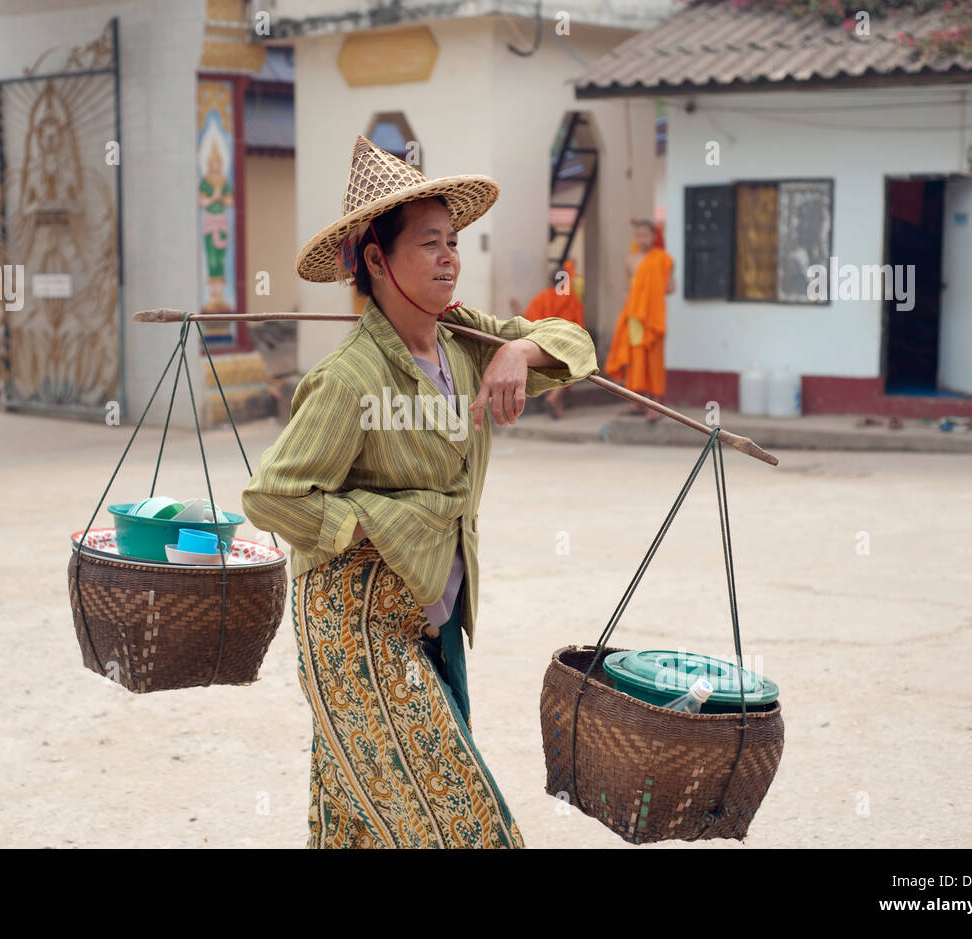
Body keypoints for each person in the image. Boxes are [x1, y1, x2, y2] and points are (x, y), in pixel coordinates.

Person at [241, 134, 597, 848]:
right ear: (377, 260)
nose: (448, 257)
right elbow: (272, 496)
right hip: (354, 627)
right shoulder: (348, 379)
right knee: (461, 825)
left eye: (453, 241)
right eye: (429, 242)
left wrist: (519, 349)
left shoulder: (465, 340)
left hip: (431, 619)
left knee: (357, 833)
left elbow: (577, 346)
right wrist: (375, 519)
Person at [606, 219, 674, 422]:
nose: (642, 239)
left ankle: (657, 404)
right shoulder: (631, 259)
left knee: (653, 359)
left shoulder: (663, 259)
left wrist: (650, 293)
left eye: (646, 235)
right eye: (639, 235)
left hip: (652, 316)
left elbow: (670, 287)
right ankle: (638, 403)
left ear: (654, 237)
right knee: (635, 359)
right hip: (634, 315)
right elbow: (629, 288)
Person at [507, 258, 586, 419]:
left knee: (556, 370)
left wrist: (517, 310)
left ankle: (556, 404)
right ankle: (553, 398)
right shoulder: (572, 299)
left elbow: (529, 319)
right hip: (566, 345)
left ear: (550, 280)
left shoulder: (542, 297)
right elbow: (578, 326)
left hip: (545, 345)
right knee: (573, 368)